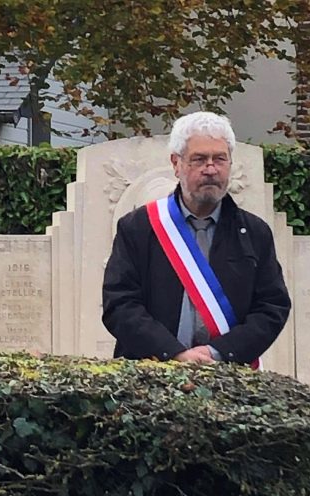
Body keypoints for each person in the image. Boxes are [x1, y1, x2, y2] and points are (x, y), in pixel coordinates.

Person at [102, 112, 290, 365]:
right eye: (199, 159)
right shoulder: (138, 228)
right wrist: (174, 353)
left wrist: (219, 352)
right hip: (151, 375)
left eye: (220, 159)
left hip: (228, 375)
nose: (210, 169)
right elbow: (120, 305)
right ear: (176, 164)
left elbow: (271, 307)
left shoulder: (255, 233)